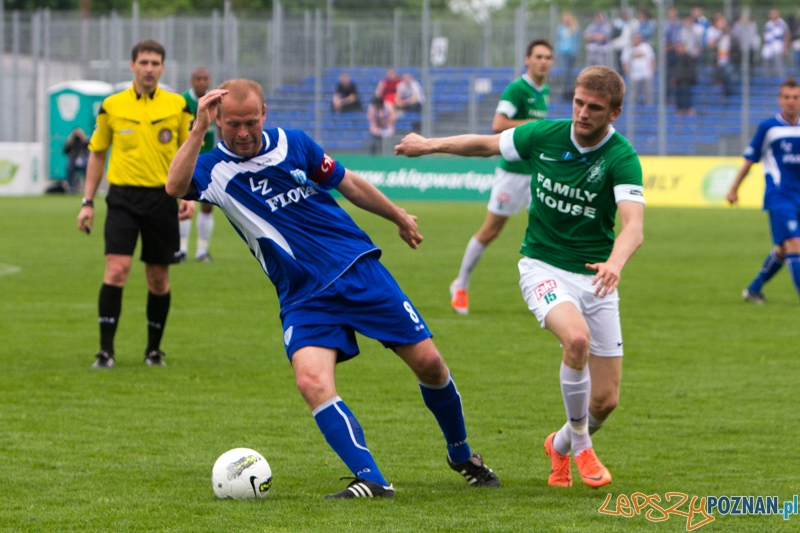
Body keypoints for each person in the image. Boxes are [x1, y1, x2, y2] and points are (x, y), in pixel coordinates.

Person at [165, 78, 500, 498]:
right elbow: (174, 187)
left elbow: (349, 183)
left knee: (430, 364)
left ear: (265, 114)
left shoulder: (294, 143)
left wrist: (396, 214)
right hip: (302, 296)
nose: (244, 132)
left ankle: (460, 452)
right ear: (218, 119)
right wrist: (197, 130)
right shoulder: (212, 168)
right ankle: (372, 479)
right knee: (311, 381)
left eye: (251, 121)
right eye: (233, 124)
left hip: (356, 269)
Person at [396, 65, 645, 490]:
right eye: (579, 103)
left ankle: (561, 444)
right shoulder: (543, 135)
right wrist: (429, 144)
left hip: (597, 277)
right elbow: (485, 144)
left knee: (605, 401)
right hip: (542, 267)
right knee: (577, 340)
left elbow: (634, 225)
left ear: (614, 113)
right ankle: (582, 444)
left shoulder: (621, 157)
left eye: (595, 108)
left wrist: (615, 263)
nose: (583, 113)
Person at [76, 39, 194, 369]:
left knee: (158, 278)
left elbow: (189, 155)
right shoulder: (112, 106)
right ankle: (105, 351)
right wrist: (87, 201)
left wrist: (187, 195)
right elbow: (97, 154)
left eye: (155, 63)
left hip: (163, 199)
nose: (149, 68)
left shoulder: (178, 106)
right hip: (123, 198)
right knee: (116, 270)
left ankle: (153, 350)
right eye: (143, 62)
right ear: (132, 66)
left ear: (163, 67)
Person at [449, 38, 552, 315]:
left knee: (548, 229)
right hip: (512, 175)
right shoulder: (517, 89)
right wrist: (532, 126)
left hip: (536, 176)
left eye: (548, 57)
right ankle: (460, 284)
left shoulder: (544, 91)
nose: (544, 62)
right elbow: (498, 124)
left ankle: (551, 291)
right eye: (539, 57)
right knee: (491, 231)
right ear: (527, 60)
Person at [725, 77, 800, 304]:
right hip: (779, 196)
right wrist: (734, 189)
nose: (791, 101)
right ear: (779, 100)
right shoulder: (769, 128)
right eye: (786, 97)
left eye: (795, 97)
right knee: (795, 244)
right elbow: (750, 160)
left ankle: (754, 289)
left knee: (783, 249)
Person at [179, 67, 216, 262]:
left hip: (208, 161)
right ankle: (182, 249)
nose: (202, 82)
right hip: (188, 160)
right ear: (192, 81)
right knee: (185, 204)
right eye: (198, 78)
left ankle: (202, 251)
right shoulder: (183, 101)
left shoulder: (214, 100)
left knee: (208, 206)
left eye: (205, 78)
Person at [620, 33, 655, 106]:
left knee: (648, 92)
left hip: (646, 74)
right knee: (633, 94)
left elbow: (652, 59)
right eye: (636, 38)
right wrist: (628, 73)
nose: (637, 40)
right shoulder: (628, 49)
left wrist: (651, 72)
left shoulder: (646, 47)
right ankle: (633, 108)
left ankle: (649, 108)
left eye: (639, 38)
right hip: (634, 75)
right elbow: (624, 62)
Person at [555, 12, 580, 100]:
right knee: (566, 71)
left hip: (571, 53)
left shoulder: (574, 29)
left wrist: (575, 52)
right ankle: (568, 89)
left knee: (569, 71)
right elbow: (557, 41)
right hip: (562, 53)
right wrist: (556, 51)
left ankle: (568, 89)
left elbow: (577, 42)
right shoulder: (560, 29)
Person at [762, 9, 790, 78]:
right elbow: (765, 36)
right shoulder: (768, 24)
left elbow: (787, 35)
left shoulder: (782, 23)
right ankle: (767, 81)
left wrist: (785, 48)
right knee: (767, 65)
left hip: (778, 47)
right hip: (768, 48)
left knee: (779, 65)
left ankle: (781, 80)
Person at [63, 127, 90, 193]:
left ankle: (88, 187)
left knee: (87, 169)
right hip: (73, 161)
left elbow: (90, 148)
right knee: (70, 167)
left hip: (83, 162)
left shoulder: (84, 141)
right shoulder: (71, 142)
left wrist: (84, 139)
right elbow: (65, 151)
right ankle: (71, 187)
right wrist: (69, 142)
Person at [674, 42, 697, 116]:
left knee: (686, 96)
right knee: (679, 96)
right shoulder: (676, 58)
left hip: (686, 81)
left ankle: (689, 110)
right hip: (678, 82)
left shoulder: (687, 57)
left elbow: (691, 70)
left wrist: (687, 79)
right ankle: (680, 110)